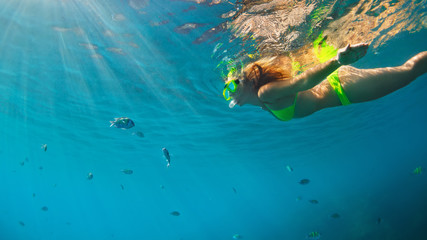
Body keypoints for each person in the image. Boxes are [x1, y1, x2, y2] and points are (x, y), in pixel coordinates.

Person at [223, 42, 427, 121]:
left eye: (232, 86)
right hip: (340, 86)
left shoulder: (265, 93)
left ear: (249, 83)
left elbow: (303, 82)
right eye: (226, 91)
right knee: (409, 72)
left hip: (344, 89)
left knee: (409, 71)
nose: (229, 93)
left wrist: (337, 61)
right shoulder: (263, 103)